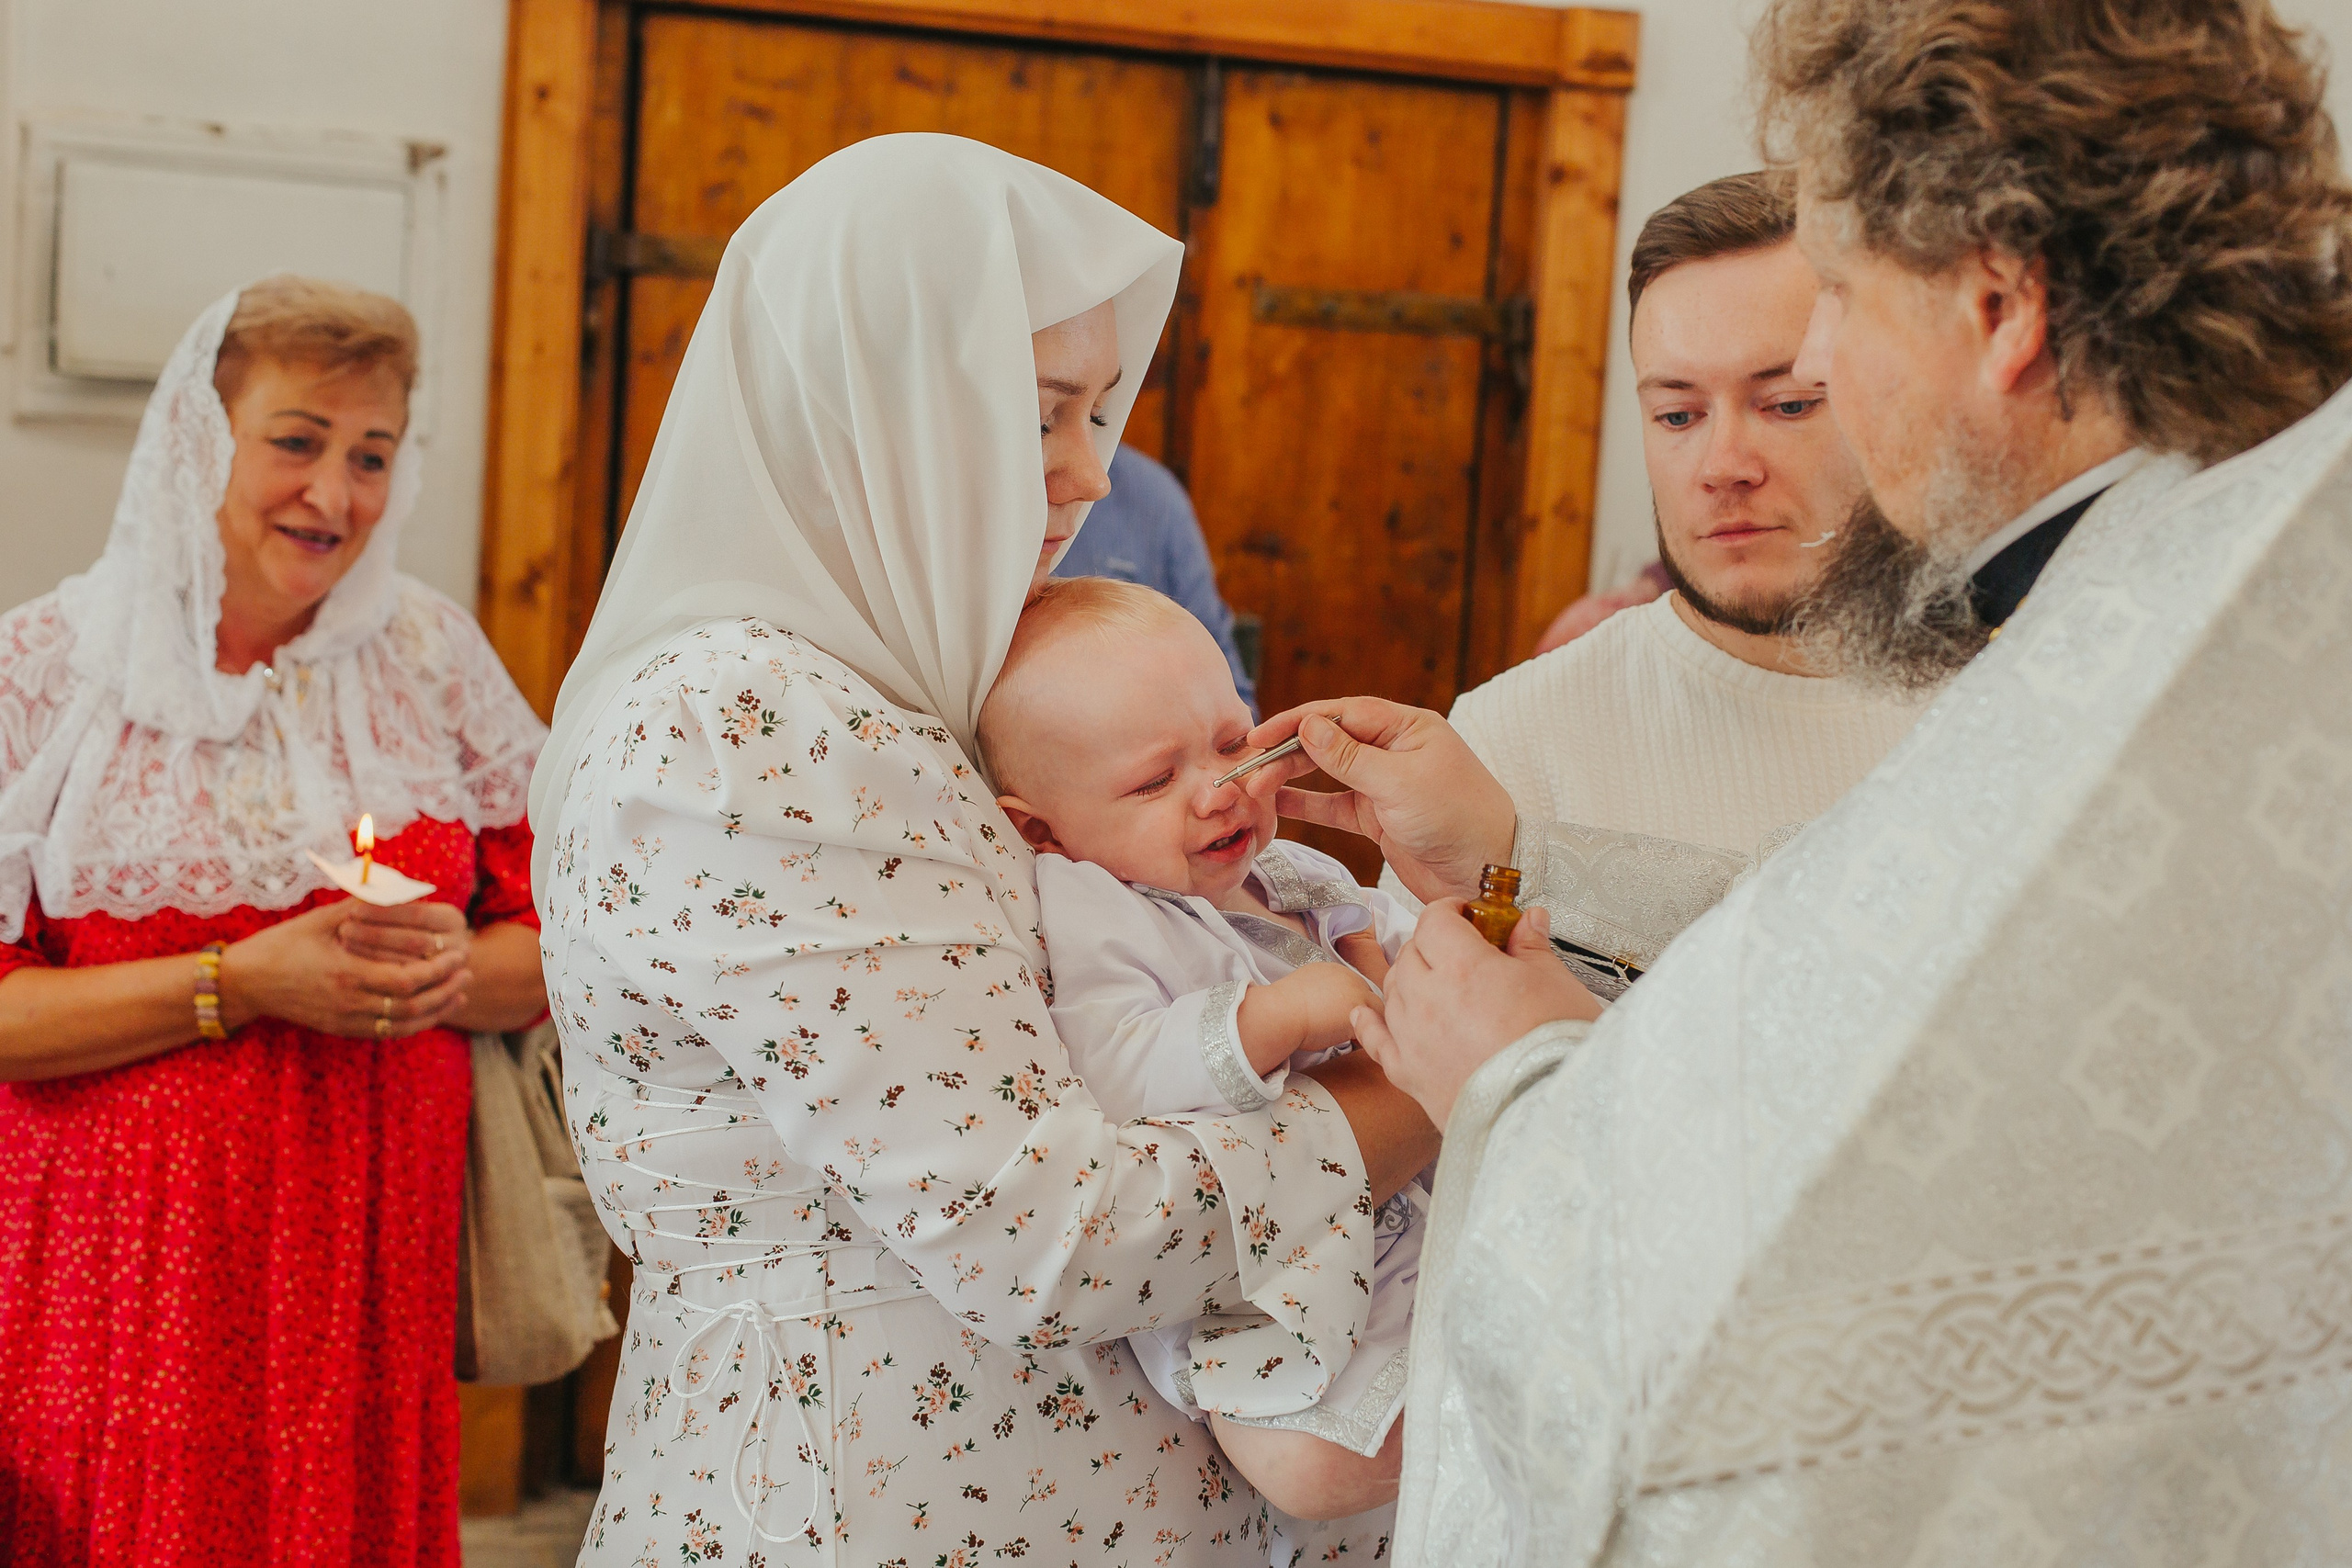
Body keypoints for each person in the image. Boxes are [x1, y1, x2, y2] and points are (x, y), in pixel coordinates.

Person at [1246, 2, 2352, 1563]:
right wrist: (1523, 843)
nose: (1814, 372)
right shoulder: (2218, 592)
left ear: (2001, 304)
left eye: (1833, 301)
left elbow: (1771, 1323)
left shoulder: (2122, 675)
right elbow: (1926, 933)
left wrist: (1524, 1091)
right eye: (1679, 406)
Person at [530, 134, 1435, 1568]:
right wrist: (1436, 1085)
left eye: (1097, 411)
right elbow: (1039, 1228)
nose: (1091, 472)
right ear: (864, 416)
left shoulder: (927, 690)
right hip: (864, 1506)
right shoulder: (748, 720)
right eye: (1035, 416)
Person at [0, 277, 550, 1565]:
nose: (336, 496)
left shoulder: (431, 657)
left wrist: (446, 975)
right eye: (297, 441)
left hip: (364, 1291)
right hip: (114, 1293)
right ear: (201, 438)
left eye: (372, 456)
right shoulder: (42, 672)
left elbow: (566, 943)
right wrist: (237, 982)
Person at [1385, 171, 1928, 983]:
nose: (1722, 466)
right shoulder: (1506, 747)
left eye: (1785, 404)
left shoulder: (2002, 705)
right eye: (1678, 415)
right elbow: (1413, 1080)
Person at [978, 576, 1422, 1526]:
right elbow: (1117, 1067)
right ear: (1040, 830)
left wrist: (1414, 946)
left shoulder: (1285, 872)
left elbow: (1370, 934)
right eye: (1153, 780)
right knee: (1313, 1460)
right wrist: (1279, 1020)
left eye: (1231, 745)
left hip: (1390, 1206)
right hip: (1258, 1272)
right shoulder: (1097, 913)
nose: (1219, 794)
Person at [1055, 445, 1258, 713]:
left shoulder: (1153, 497)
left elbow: (1231, 697)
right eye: (1043, 424)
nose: (1096, 485)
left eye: (1096, 417)